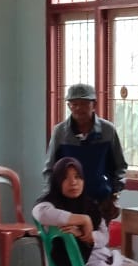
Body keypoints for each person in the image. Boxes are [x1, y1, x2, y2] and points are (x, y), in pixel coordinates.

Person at [44, 82, 127, 211]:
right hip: (67, 203)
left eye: (84, 103)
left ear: (94, 105)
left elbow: (120, 167)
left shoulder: (108, 130)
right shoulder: (60, 132)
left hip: (100, 201)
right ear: (69, 106)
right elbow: (50, 169)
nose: (79, 108)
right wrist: (52, 199)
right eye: (74, 104)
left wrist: (114, 196)